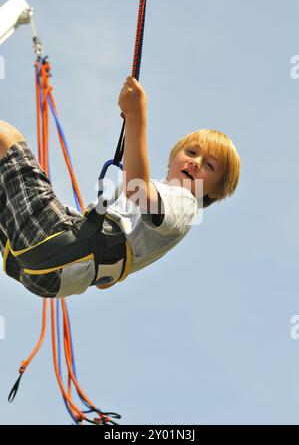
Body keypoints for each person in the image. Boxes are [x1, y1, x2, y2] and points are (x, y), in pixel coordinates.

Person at [0, 77, 240, 298]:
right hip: (44, 273)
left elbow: (137, 189)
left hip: (52, 249)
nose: (195, 163)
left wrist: (136, 116)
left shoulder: (185, 203)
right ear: (172, 159)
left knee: (6, 137)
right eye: (191, 152)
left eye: (209, 165)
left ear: (215, 191)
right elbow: (108, 280)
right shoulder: (155, 213)